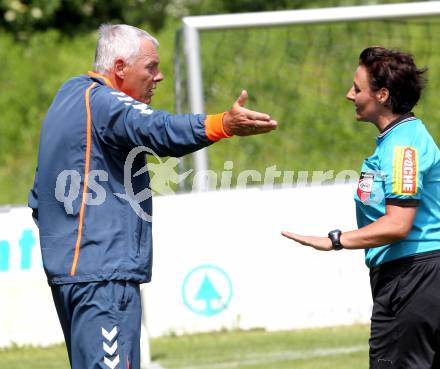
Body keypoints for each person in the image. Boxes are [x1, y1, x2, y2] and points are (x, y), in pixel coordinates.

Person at [28, 24, 277, 369]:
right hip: (103, 277)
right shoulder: (105, 101)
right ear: (119, 68)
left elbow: (38, 198)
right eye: (151, 67)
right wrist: (223, 124)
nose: (158, 77)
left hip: (72, 274)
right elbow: (158, 129)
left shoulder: (67, 98)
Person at [282, 46, 440, 369]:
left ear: (382, 95)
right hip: (411, 279)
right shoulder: (395, 141)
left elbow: (398, 224)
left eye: (357, 88)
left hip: (413, 279)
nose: (348, 94)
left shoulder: (403, 147)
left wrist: (335, 240)